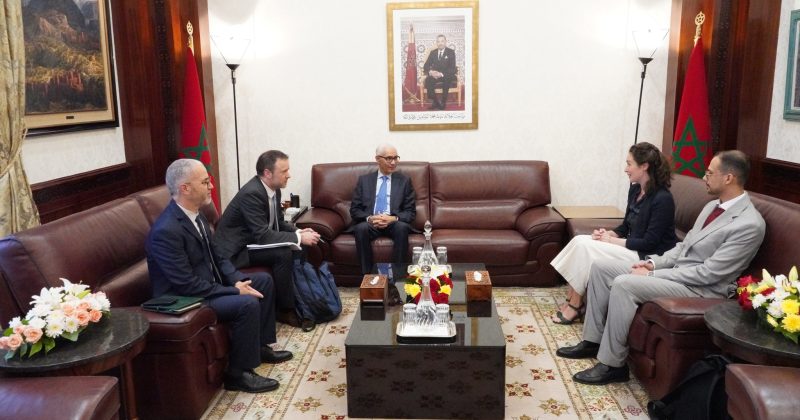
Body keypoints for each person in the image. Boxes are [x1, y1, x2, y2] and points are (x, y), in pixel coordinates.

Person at [556, 150, 766, 385]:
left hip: (701, 289)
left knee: (625, 284)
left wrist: (653, 274)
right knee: (601, 267)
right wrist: (653, 262)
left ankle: (612, 365)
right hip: (678, 274)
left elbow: (709, 274)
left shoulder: (750, 224)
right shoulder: (711, 207)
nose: (703, 177)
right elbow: (683, 247)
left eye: (709, 173)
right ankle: (592, 341)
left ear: (728, 178)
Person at [146, 159, 292, 393]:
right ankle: (239, 374)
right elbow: (186, 284)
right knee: (246, 303)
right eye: (205, 182)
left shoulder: (196, 215)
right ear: (185, 188)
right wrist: (234, 290)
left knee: (263, 281)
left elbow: (219, 257)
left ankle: (259, 347)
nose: (211, 187)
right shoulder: (166, 231)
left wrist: (236, 280)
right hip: (186, 298)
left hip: (207, 284)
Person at [550, 142, 677, 324]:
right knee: (580, 240)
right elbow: (625, 227)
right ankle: (571, 299)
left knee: (586, 248)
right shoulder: (635, 189)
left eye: (629, 164)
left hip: (646, 256)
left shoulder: (663, 199)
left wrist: (610, 241)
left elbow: (650, 243)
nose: (626, 169)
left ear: (644, 166)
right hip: (631, 247)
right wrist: (608, 233)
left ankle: (575, 305)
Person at [214, 150, 321, 329]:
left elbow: (278, 223)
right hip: (235, 252)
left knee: (299, 246)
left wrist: (298, 231)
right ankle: (285, 310)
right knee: (283, 253)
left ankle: (303, 299)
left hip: (252, 243)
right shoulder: (252, 193)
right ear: (267, 173)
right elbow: (263, 235)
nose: (289, 175)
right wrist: (299, 237)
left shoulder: (274, 190)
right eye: (284, 171)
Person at [350, 144, 416, 276]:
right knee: (361, 228)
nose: (393, 162)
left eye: (396, 158)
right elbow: (355, 209)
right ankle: (367, 277)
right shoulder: (364, 180)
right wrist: (370, 218)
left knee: (402, 228)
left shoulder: (404, 181)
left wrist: (393, 218)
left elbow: (410, 212)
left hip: (393, 222)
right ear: (377, 159)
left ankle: (398, 277)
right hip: (371, 222)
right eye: (389, 158)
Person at [422, 34, 457, 110]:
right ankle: (436, 102)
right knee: (428, 80)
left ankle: (443, 102)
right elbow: (426, 66)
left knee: (447, 79)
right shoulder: (433, 52)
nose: (440, 43)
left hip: (446, 74)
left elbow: (453, 68)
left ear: (445, 42)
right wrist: (431, 72)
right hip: (435, 75)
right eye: (438, 41)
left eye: (442, 41)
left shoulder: (451, 52)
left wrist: (441, 74)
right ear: (436, 43)